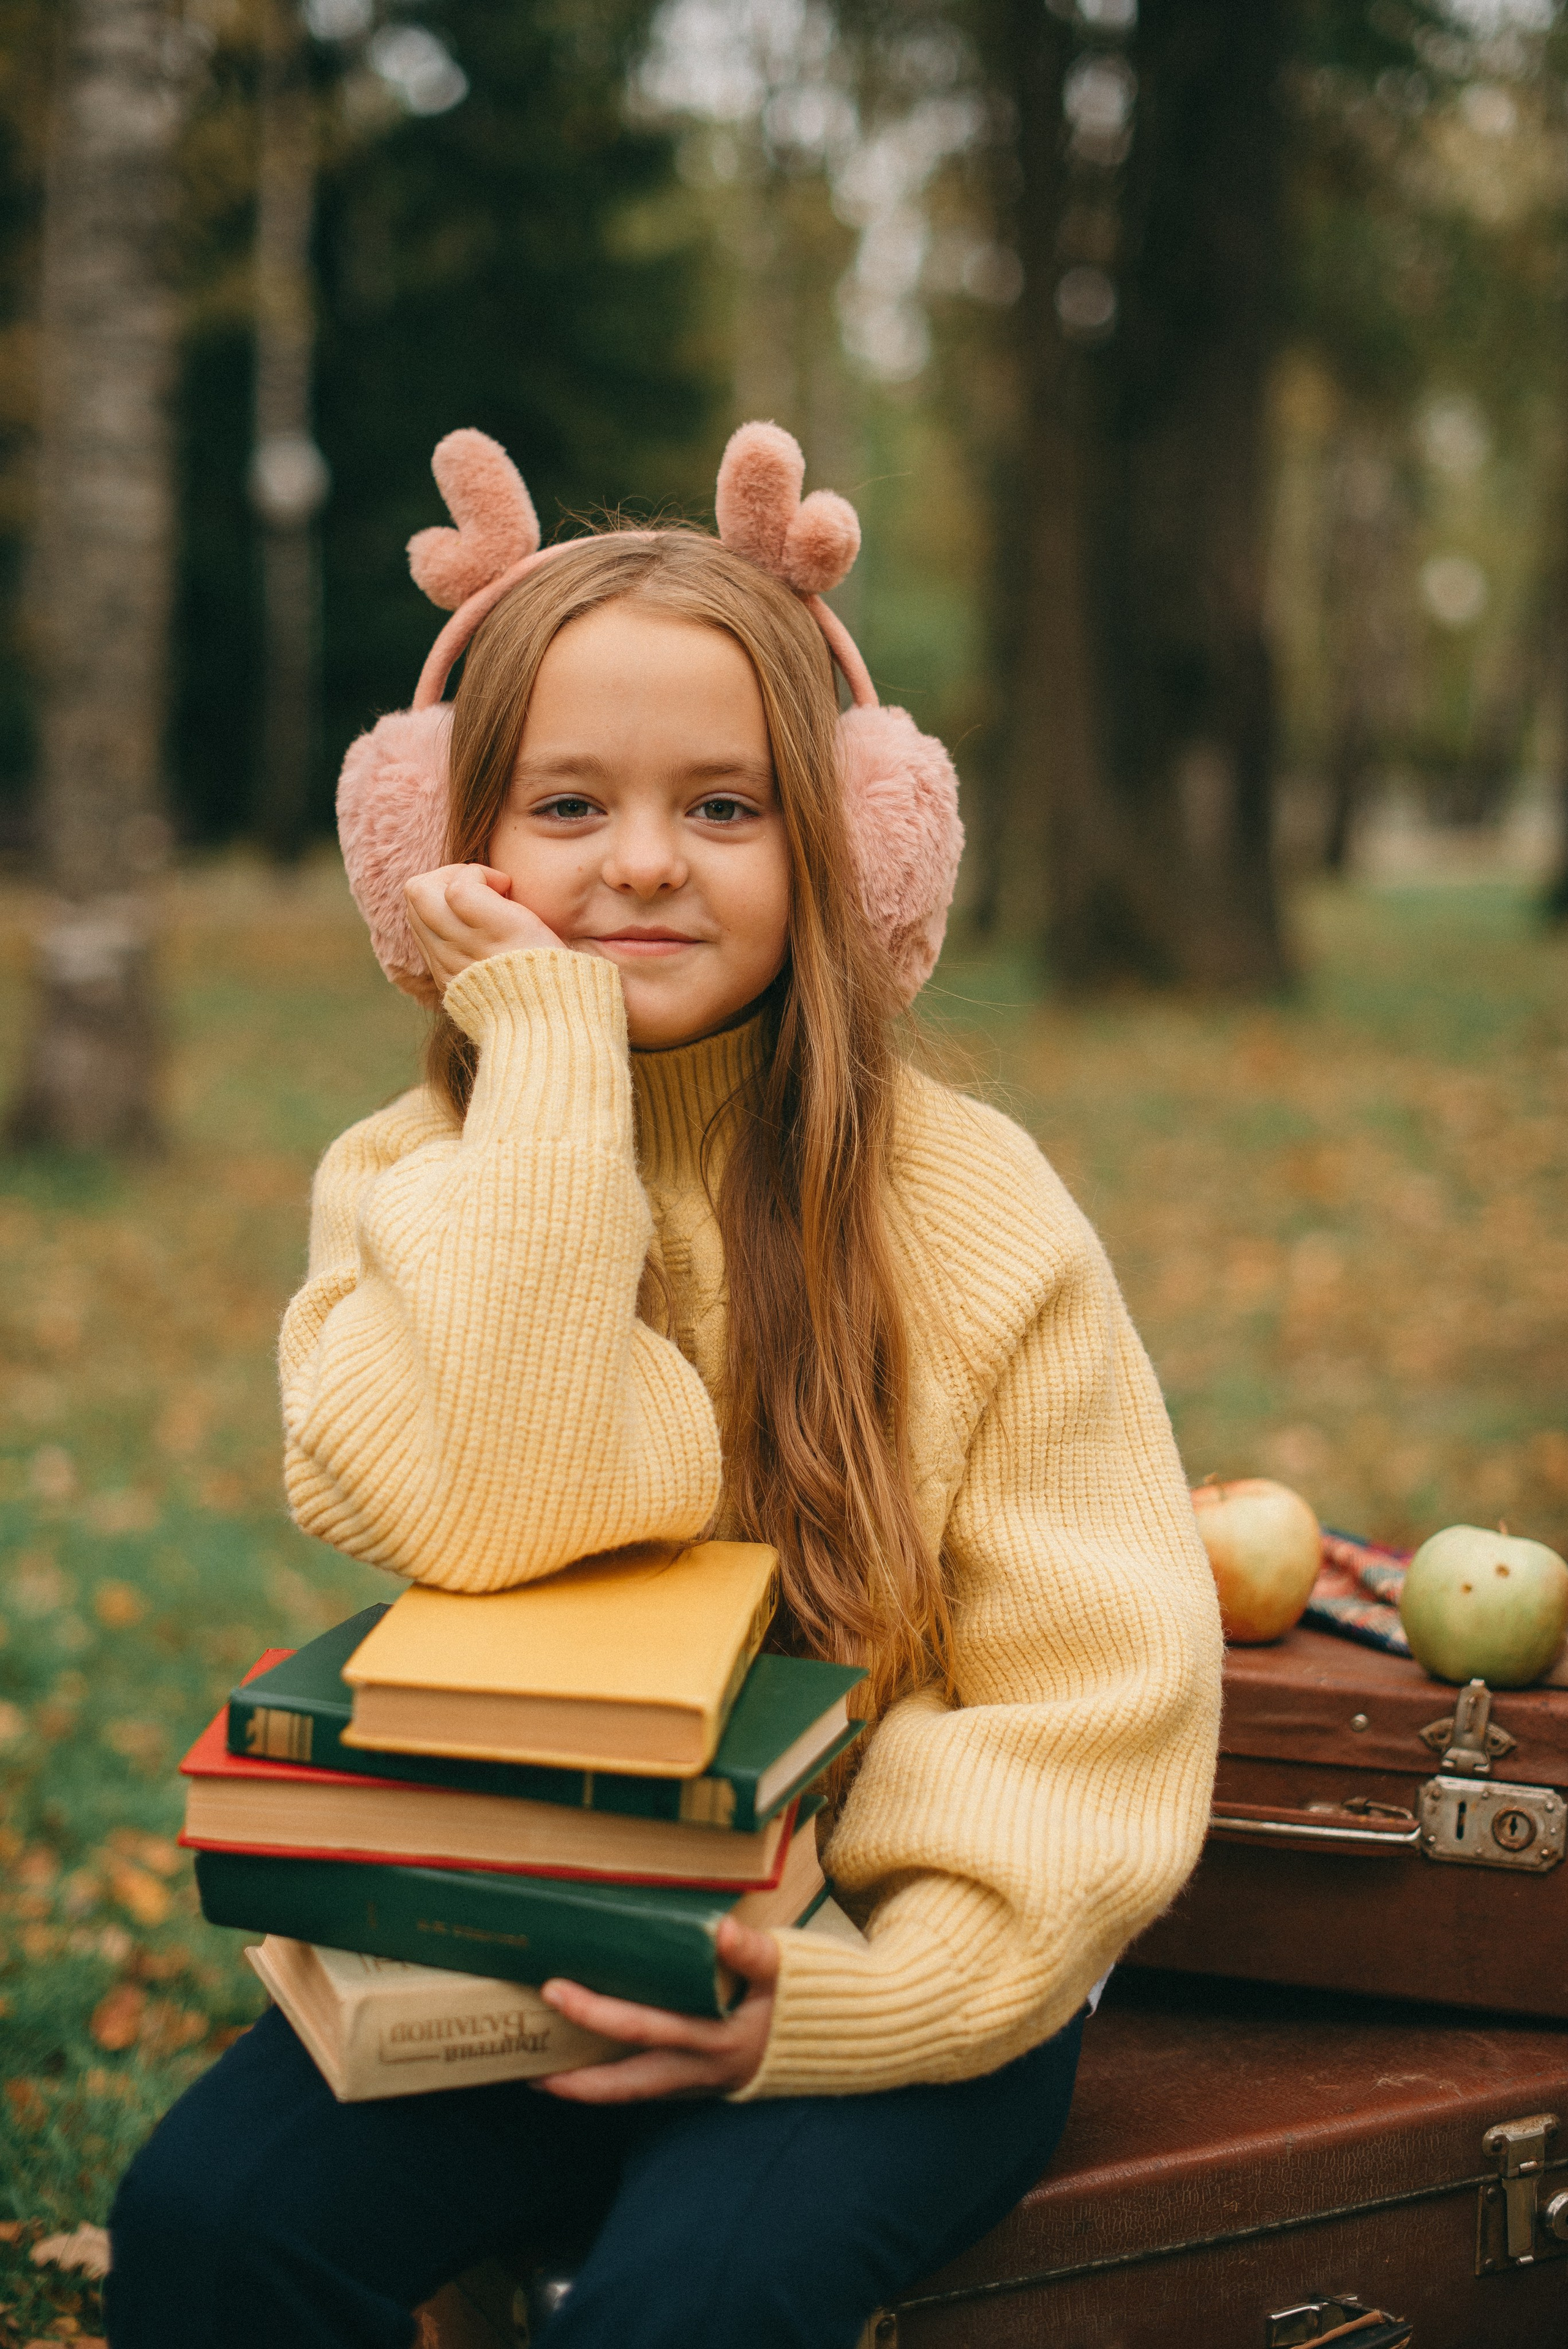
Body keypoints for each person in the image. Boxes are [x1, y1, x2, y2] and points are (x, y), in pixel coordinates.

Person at [106, 424, 1222, 2349]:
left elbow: (1091, 1694)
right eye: (565, 805)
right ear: (446, 850)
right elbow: (505, 1492)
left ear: (849, 842)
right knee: (210, 2222)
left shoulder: (969, 1204)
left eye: (724, 807)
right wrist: (544, 1061)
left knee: (695, 2295)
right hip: (536, 1919)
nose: (639, 862)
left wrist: (859, 2000)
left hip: (890, 1951)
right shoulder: (405, 1180)